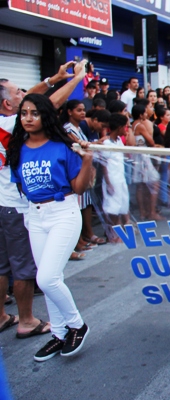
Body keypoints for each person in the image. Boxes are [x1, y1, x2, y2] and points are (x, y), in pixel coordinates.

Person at [0, 60, 84, 339]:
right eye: (17, 94)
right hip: (21, 209)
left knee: (23, 271)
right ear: (9, 106)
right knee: (31, 272)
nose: (24, 95)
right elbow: (45, 104)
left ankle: (60, 331)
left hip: (24, 208)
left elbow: (33, 102)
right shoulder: (14, 131)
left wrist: (53, 79)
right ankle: (35, 322)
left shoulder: (16, 127)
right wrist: (75, 79)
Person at [7, 93, 94, 361]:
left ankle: (77, 325)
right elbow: (21, 186)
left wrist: (87, 160)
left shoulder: (62, 146)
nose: (28, 118)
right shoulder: (17, 148)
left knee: (46, 279)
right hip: (35, 216)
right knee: (50, 280)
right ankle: (58, 334)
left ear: (46, 116)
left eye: (35, 113)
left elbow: (78, 188)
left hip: (63, 213)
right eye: (24, 113)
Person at [60, 100, 102, 255]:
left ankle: (86, 235)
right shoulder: (67, 129)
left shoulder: (79, 128)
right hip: (75, 169)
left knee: (86, 202)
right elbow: (78, 145)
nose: (83, 113)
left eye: (84, 110)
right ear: (69, 112)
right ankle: (77, 240)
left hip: (83, 168)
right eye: (79, 110)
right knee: (77, 205)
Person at [101, 113, 131, 243]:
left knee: (121, 205)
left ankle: (117, 231)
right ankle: (110, 233)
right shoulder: (106, 143)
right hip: (112, 179)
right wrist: (108, 182)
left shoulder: (118, 141)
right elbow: (104, 164)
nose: (126, 129)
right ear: (119, 127)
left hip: (120, 177)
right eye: (125, 126)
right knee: (112, 207)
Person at [132, 102, 162, 221]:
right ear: (140, 115)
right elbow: (151, 142)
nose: (146, 114)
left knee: (141, 186)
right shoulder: (140, 126)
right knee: (154, 182)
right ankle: (152, 212)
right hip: (143, 158)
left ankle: (143, 212)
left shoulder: (133, 125)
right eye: (144, 112)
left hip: (137, 158)